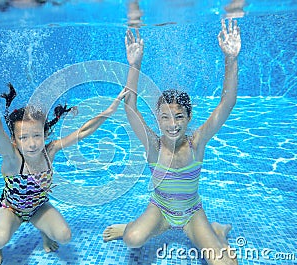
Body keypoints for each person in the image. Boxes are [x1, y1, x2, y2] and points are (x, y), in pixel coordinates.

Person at [103, 19, 241, 265]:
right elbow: (130, 107)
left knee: (226, 264)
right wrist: (134, 64)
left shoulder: (196, 143)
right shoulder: (153, 146)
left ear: (189, 118)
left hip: (191, 213)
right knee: (132, 238)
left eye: (179, 117)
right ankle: (146, 226)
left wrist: (231, 58)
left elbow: (227, 103)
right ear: (157, 119)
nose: (172, 124)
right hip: (161, 209)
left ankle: (215, 232)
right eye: (165, 117)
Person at [0, 78, 127, 265]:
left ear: (45, 134)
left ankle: (44, 231)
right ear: (14, 140)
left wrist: (110, 110)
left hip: (39, 207)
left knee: (64, 236)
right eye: (24, 137)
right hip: (12, 210)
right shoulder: (13, 159)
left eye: (37, 135)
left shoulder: (50, 151)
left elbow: (83, 131)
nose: (31, 143)